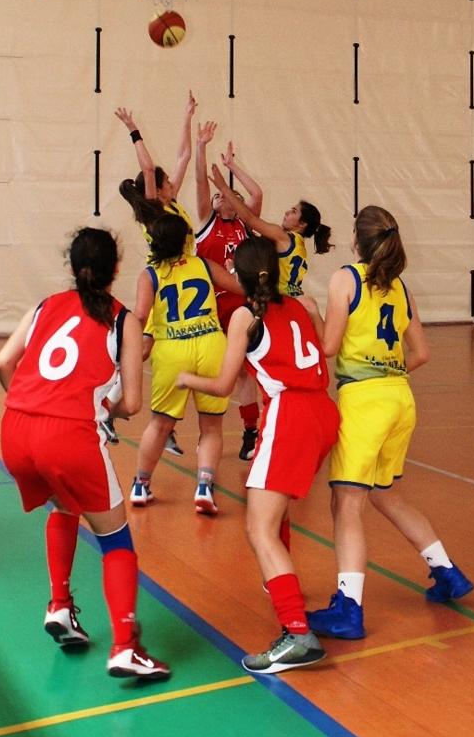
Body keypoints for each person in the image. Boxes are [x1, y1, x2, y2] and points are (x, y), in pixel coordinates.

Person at [0, 228, 170, 679]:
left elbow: (3, 362)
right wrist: (105, 408)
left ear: (72, 267)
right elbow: (133, 403)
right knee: (116, 540)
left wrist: (30, 407)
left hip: (15, 428)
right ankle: (126, 646)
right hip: (68, 435)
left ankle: (60, 605)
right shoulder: (123, 320)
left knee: (65, 504)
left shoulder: (44, 306)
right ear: (116, 269)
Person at [304, 206, 474, 641]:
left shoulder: (346, 279)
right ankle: (447, 570)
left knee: (346, 504)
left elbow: (328, 346)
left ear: (357, 240)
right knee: (386, 495)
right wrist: (386, 372)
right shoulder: (401, 287)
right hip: (400, 398)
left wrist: (311, 311)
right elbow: (421, 353)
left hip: (365, 402)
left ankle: (348, 608)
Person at [177, 236, 339, 674]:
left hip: (291, 415)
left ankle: (297, 633)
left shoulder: (246, 315)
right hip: (323, 411)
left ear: (239, 276)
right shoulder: (300, 304)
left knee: (258, 526)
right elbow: (323, 348)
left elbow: (223, 386)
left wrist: (187, 378)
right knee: (272, 506)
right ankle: (279, 585)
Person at [129, 212, 243, 515]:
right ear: (185, 240)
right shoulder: (203, 264)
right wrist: (235, 269)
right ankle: (204, 486)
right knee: (212, 426)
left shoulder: (150, 274)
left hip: (172, 349)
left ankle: (141, 484)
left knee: (160, 423)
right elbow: (239, 287)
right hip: (210, 344)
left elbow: (140, 316)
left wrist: (128, 347)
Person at [114, 92, 198, 455]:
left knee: (154, 349)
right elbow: (149, 169)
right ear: (158, 188)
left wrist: (187, 116)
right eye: (167, 182)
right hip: (166, 282)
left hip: (184, 278)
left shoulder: (172, 203)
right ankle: (111, 398)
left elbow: (184, 157)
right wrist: (133, 129)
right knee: (154, 349)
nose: (172, 183)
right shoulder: (154, 210)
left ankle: (115, 404)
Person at [194, 125, 263, 461]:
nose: (221, 198)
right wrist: (201, 146)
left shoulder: (244, 224)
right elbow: (200, 183)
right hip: (211, 309)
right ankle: (205, 432)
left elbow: (257, 194)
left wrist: (233, 169)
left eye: (227, 196)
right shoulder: (207, 222)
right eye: (218, 195)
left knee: (244, 372)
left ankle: (251, 431)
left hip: (242, 309)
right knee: (213, 373)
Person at [209, 163, 332, 297]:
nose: (286, 212)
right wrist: (231, 165)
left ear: (302, 224)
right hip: (294, 298)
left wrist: (224, 187)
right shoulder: (300, 246)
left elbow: (250, 218)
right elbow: (257, 194)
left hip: (279, 299)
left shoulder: (283, 236)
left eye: (293, 211)